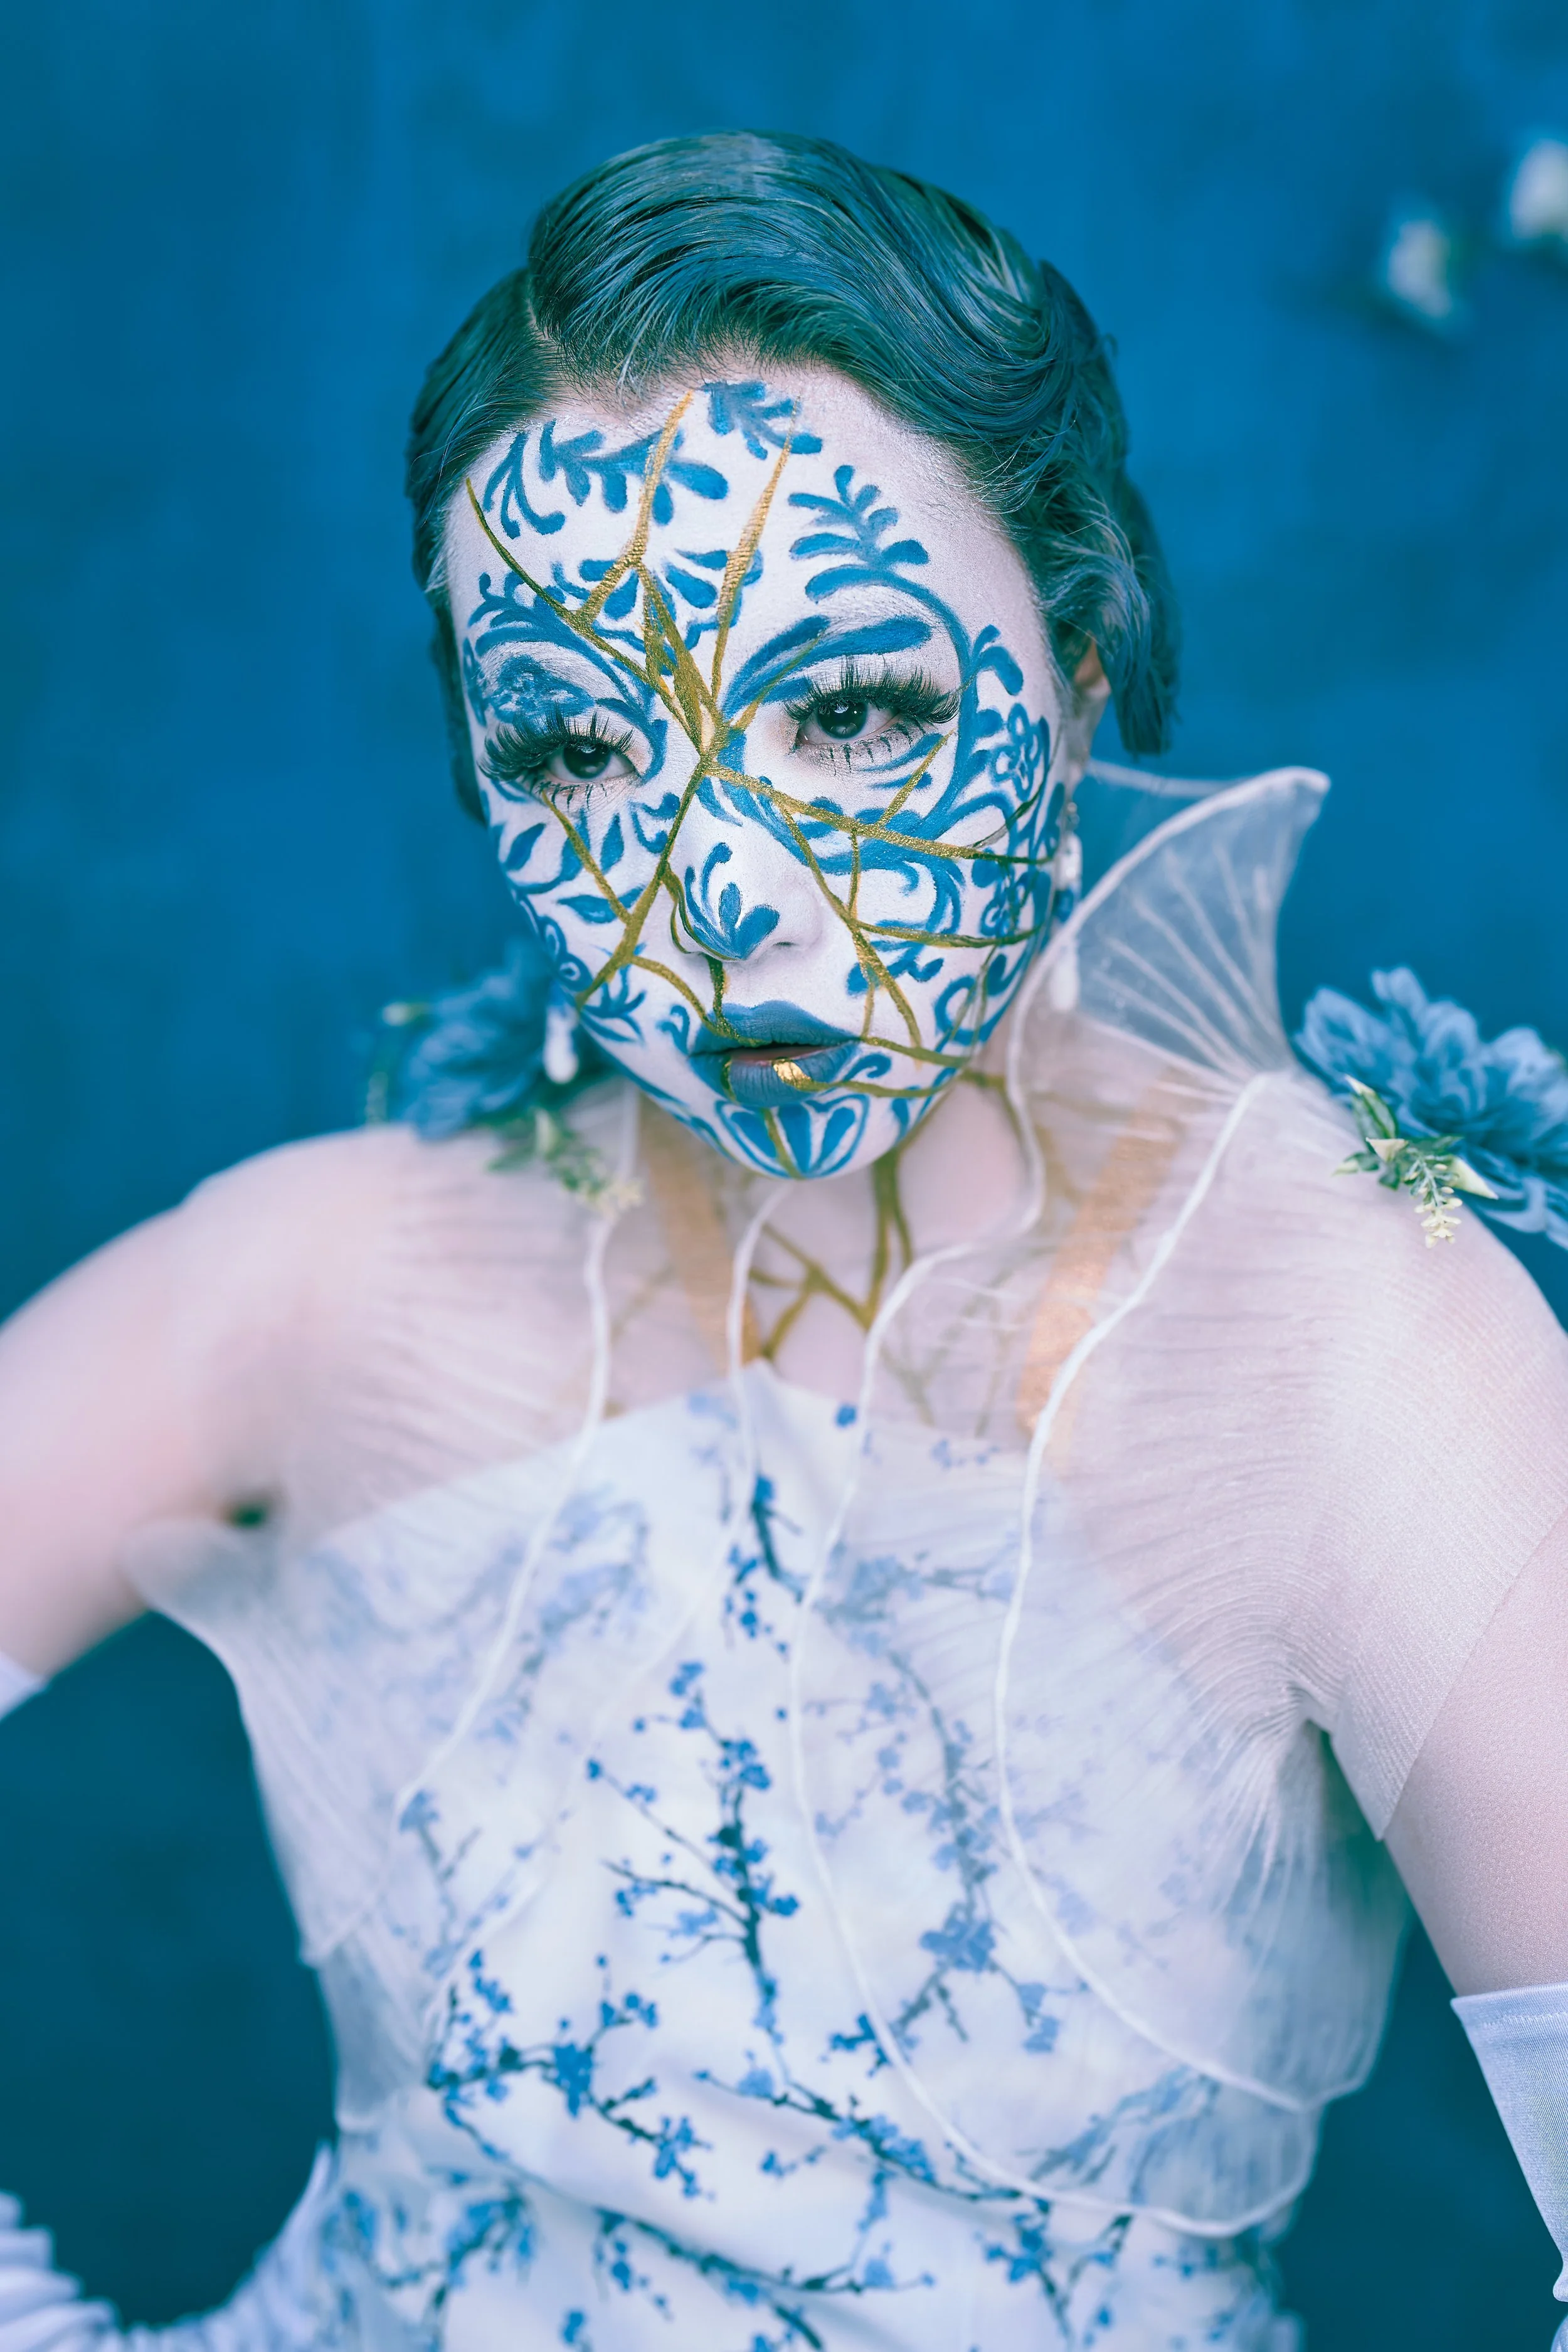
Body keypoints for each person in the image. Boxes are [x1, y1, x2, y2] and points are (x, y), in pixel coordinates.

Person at [2, 129, 1567, 2352]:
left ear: (1087, 657)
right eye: (569, 751)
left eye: (850, 713)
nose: (719, 897)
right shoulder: (323, 1283)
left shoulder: (1352, 1347)